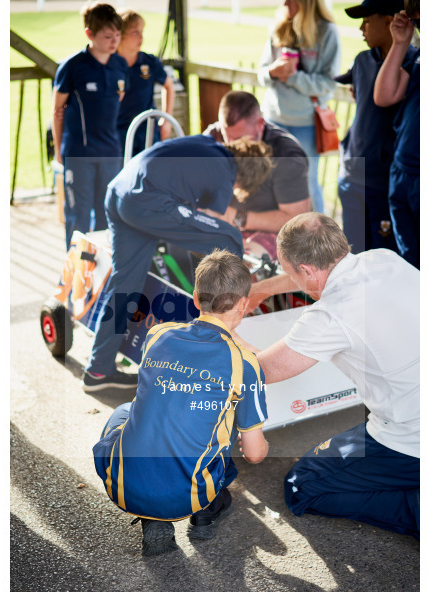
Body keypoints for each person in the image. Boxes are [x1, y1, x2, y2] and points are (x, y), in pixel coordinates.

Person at [235, 213, 419, 539]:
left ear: (304, 270)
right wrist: (261, 289)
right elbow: (316, 275)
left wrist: (218, 322)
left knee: (302, 486)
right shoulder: (383, 259)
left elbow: (256, 370)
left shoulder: (329, 317)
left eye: (290, 271)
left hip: (410, 439)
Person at [92, 249, 270, 556]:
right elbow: (255, 454)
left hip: (123, 484)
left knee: (125, 411)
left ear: (195, 298)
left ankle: (152, 519)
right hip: (188, 495)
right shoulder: (246, 365)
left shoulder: (158, 334)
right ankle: (206, 511)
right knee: (218, 429)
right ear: (243, 305)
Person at [82, 135, 274, 391]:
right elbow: (212, 223)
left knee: (125, 284)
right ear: (247, 178)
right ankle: (226, 335)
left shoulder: (206, 144)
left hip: (119, 192)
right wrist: (238, 260)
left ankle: (98, 369)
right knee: (228, 237)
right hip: (146, 202)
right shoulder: (226, 172)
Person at [335, 0, 418, 254]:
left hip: (383, 183)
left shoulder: (414, 62)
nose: (361, 29)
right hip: (352, 175)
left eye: (367, 21)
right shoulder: (361, 60)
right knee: (353, 254)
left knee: (384, 256)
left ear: (388, 21)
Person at [52, 2, 129, 247]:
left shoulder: (120, 65)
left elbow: (117, 101)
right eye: (107, 36)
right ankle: (75, 277)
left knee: (108, 215)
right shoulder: (72, 67)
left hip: (111, 153)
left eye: (117, 34)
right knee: (79, 217)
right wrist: (58, 150)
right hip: (79, 154)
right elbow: (57, 110)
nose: (114, 40)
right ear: (89, 34)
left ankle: (100, 279)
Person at [202, 90, 310, 259]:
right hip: (224, 224)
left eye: (239, 139)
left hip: (274, 232)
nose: (231, 146)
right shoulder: (212, 137)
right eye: (226, 137)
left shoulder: (286, 154)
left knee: (243, 265)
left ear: (260, 124)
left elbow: (297, 220)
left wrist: (236, 217)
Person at [257, 0, 341, 215]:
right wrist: (273, 72)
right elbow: (262, 73)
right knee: (271, 181)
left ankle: (320, 240)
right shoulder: (279, 26)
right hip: (274, 120)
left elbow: (328, 83)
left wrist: (294, 77)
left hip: (306, 124)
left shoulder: (327, 32)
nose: (284, 3)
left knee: (307, 183)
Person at [374, 0, 420, 268]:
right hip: (403, 171)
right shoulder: (418, 56)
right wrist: (400, 43)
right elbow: (383, 96)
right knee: (408, 260)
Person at [116, 9, 175, 158]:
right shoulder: (110, 63)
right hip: (118, 131)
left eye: (142, 32)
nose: (141, 37)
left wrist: (165, 121)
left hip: (147, 130)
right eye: (135, 32)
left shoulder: (149, 62)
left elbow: (169, 86)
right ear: (120, 34)